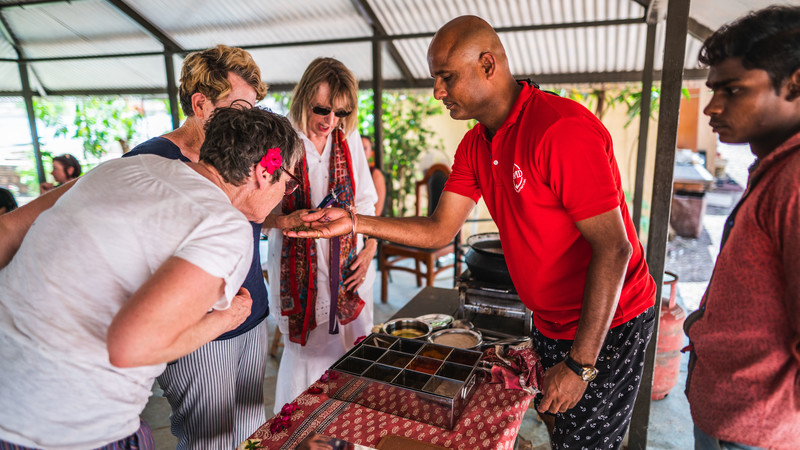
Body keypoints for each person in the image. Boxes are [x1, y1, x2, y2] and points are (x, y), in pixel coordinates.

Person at [288, 16, 656, 449]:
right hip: (551, 320)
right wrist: (355, 221)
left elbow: (614, 248)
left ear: (487, 65)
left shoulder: (560, 130)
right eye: (435, 79)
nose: (437, 91)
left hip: (609, 322)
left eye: (446, 77)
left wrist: (580, 365)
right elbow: (439, 229)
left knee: (585, 442)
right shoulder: (476, 144)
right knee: (557, 423)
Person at [0, 106, 302, 449]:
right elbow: (130, 346)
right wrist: (226, 318)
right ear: (265, 172)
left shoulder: (123, 166)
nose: (283, 196)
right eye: (287, 183)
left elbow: (7, 231)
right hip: (73, 424)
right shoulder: (224, 225)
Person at [123, 44, 272, 448]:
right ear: (201, 103)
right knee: (212, 439)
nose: (250, 120)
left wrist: (279, 216)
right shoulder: (153, 161)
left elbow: (248, 213)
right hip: (200, 329)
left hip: (251, 310)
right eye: (240, 107)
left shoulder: (240, 154)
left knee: (252, 429)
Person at [683, 6, 800, 449]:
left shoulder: (795, 180)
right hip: (732, 417)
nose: (712, 106)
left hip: (758, 429)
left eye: (732, 90)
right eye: (714, 90)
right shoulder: (773, 170)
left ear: (796, 83)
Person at [262, 57, 378, 413]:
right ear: (303, 98)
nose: (331, 121)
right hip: (299, 277)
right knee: (309, 360)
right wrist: (285, 220)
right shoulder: (278, 140)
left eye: (341, 113)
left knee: (355, 355)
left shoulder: (348, 136)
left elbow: (365, 201)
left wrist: (371, 246)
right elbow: (252, 211)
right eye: (322, 109)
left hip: (348, 269)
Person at [361, 135, 387, 216]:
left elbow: (377, 211)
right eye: (359, 147)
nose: (361, 151)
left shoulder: (375, 174)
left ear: (371, 153)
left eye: (365, 148)